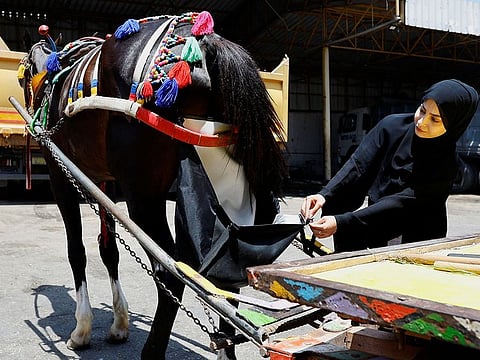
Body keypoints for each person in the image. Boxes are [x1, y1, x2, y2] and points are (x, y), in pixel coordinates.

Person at [301, 79, 479, 252]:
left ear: (455, 126)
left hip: (417, 240)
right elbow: (358, 164)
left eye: (435, 120)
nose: (422, 122)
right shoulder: (391, 127)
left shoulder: (445, 165)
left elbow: (402, 204)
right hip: (376, 222)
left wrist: (343, 222)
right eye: (422, 110)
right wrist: (325, 194)